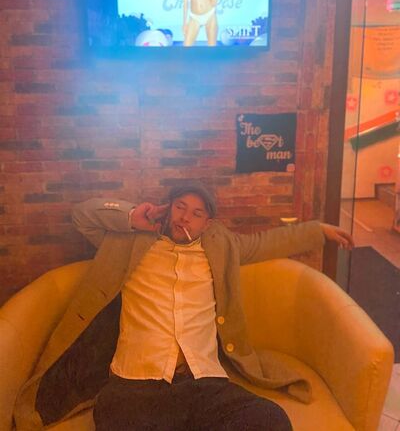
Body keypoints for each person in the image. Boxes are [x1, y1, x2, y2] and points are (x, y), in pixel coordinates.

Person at [13, 182, 354, 430]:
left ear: (208, 223)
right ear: (167, 209)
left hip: (202, 381)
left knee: (270, 420)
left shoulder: (220, 247)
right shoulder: (129, 242)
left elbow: (267, 242)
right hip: (135, 382)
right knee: (113, 418)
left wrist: (318, 231)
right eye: (179, 207)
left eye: (196, 213)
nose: (185, 218)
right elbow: (81, 216)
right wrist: (131, 216)